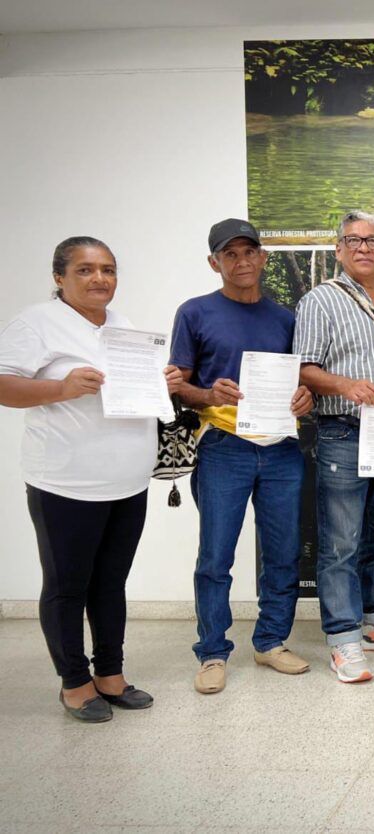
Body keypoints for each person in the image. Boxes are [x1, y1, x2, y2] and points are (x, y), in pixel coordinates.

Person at [0, 237, 180, 721]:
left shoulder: (123, 328)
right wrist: (60, 387)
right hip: (66, 483)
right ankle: (75, 682)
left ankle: (111, 674)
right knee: (66, 586)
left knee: (110, 583)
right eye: (85, 270)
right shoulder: (36, 324)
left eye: (108, 269)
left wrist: (161, 384)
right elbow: (3, 384)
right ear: (59, 277)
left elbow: (132, 396)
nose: (99, 278)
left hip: (127, 480)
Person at [170, 219, 313, 695]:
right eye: (230, 255)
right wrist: (207, 393)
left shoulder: (286, 318)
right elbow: (179, 386)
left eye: (249, 251)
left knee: (283, 553)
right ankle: (212, 652)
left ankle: (271, 641)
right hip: (223, 448)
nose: (242, 261)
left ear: (264, 257)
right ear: (215, 263)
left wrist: (305, 398)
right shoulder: (194, 313)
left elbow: (302, 381)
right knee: (215, 555)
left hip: (281, 448)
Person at [295, 210, 374, 683]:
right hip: (343, 432)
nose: (364, 247)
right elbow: (305, 368)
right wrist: (344, 385)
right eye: (353, 240)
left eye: (373, 240)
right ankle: (343, 637)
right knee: (341, 541)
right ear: (338, 250)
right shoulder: (320, 301)